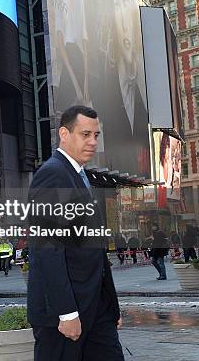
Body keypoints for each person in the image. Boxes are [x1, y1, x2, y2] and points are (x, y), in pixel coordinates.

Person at [27, 106, 123, 361]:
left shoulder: (79, 176)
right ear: (64, 134)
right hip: (65, 313)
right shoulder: (51, 174)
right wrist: (66, 313)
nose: (93, 141)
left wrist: (110, 306)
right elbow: (47, 249)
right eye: (85, 134)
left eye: (96, 135)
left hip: (96, 306)